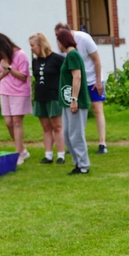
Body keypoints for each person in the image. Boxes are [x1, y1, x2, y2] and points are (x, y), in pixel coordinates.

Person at [54, 23, 106, 154]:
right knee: (77, 112)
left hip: (92, 77)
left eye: (60, 35)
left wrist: (98, 82)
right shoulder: (62, 46)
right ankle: (76, 142)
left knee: (97, 107)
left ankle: (102, 142)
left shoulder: (84, 38)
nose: (57, 39)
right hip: (77, 80)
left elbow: (96, 59)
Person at [0, 33, 31, 166]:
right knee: (8, 123)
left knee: (17, 122)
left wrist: (9, 68)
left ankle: (18, 154)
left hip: (19, 92)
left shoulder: (20, 54)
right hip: (5, 91)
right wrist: (3, 72)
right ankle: (23, 150)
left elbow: (23, 76)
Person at [55, 27, 89, 175]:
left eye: (57, 40)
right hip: (67, 101)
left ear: (62, 41)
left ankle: (83, 165)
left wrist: (74, 99)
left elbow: (77, 77)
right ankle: (77, 164)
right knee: (68, 135)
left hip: (75, 102)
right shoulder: (69, 55)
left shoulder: (73, 55)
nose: (57, 44)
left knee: (76, 135)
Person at [29, 32, 64, 165]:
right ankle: (48, 155)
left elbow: (66, 75)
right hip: (40, 97)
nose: (31, 48)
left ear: (41, 44)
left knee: (57, 126)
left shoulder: (57, 59)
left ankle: (61, 155)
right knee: (46, 127)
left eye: (33, 45)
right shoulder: (35, 61)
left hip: (54, 97)